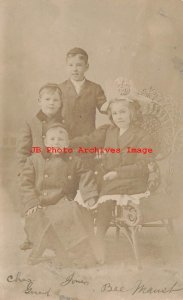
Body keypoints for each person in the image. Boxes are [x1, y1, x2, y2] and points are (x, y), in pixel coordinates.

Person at [71, 97, 155, 263]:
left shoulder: (142, 136)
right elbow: (88, 141)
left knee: (106, 195)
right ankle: (86, 241)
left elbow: (143, 165)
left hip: (131, 179)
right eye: (115, 113)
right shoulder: (109, 131)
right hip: (108, 176)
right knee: (85, 193)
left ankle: (99, 240)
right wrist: (66, 143)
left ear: (132, 113)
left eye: (123, 112)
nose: (119, 116)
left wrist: (117, 173)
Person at [20, 123, 98, 266]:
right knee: (38, 219)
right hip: (40, 202)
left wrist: (89, 195)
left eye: (61, 140)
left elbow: (86, 175)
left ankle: (78, 252)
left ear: (67, 143)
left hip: (62, 201)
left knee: (72, 211)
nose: (56, 142)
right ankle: (48, 250)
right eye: (53, 139)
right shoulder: (34, 160)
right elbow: (26, 184)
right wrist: (31, 203)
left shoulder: (74, 160)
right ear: (45, 142)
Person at [16, 83, 63, 175]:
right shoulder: (30, 123)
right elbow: (23, 152)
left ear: (60, 103)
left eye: (55, 100)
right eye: (47, 99)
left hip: (59, 171)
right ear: (39, 101)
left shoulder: (64, 123)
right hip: (37, 171)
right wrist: (24, 173)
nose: (51, 103)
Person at [59, 47, 106, 138]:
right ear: (66, 66)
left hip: (87, 138)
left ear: (86, 66)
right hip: (65, 137)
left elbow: (104, 107)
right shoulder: (60, 88)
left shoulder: (95, 88)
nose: (75, 69)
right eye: (70, 65)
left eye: (79, 65)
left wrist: (115, 102)